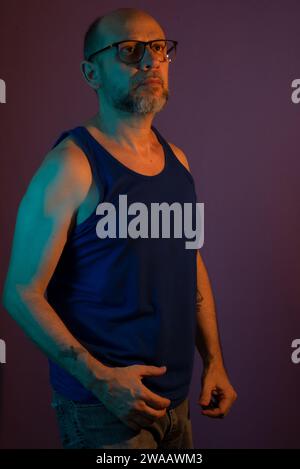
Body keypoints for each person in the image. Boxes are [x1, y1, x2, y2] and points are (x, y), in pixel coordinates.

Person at [2, 7, 237, 449]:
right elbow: (20, 292)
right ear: (92, 73)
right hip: (104, 413)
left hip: (176, 403)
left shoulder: (179, 162)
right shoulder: (71, 165)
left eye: (159, 49)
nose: (149, 62)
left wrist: (214, 363)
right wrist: (101, 379)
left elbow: (191, 265)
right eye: (129, 51)